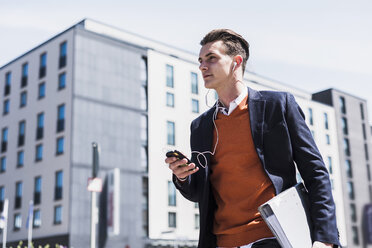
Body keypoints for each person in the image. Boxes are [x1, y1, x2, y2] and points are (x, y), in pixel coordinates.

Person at [165, 29, 340, 248]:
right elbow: (201, 194)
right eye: (200, 60)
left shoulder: (278, 106)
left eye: (212, 59)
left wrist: (325, 238)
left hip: (274, 238)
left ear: (236, 62)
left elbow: (315, 173)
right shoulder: (200, 126)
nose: (202, 66)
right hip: (222, 243)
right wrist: (183, 177)